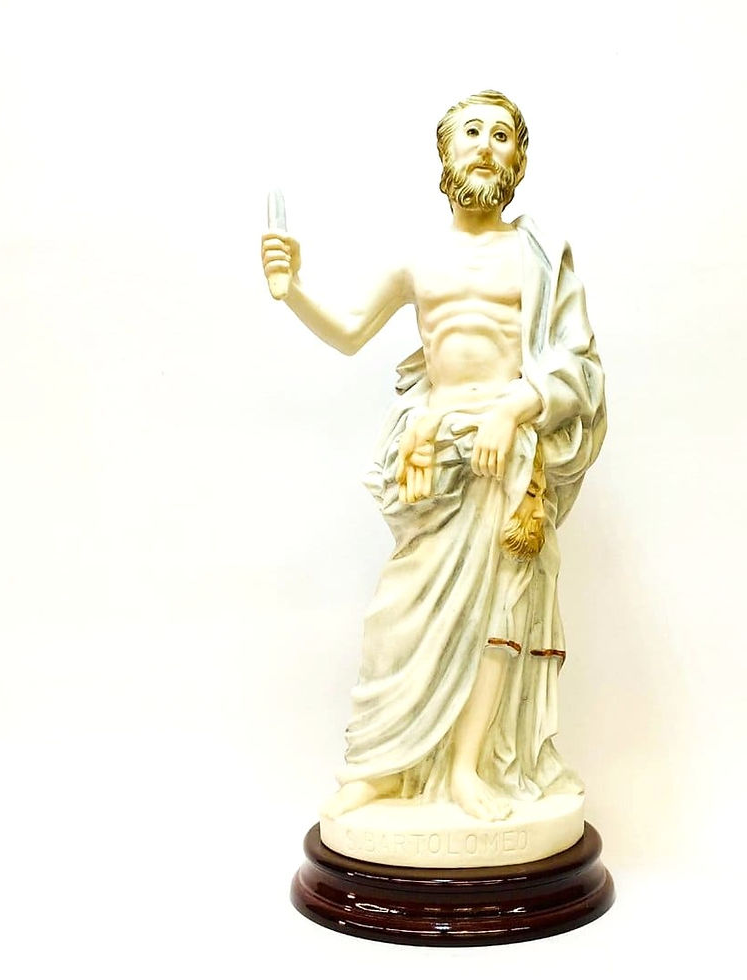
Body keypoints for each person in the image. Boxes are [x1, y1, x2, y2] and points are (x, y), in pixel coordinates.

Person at [261, 91, 606, 822]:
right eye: (471, 132)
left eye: (503, 135)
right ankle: (379, 767)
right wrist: (293, 291)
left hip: (508, 455)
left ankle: (466, 769)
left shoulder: (540, 257)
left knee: (498, 616)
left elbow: (579, 367)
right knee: (401, 612)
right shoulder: (418, 258)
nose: (486, 144)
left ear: (519, 160)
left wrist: (514, 408)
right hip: (436, 453)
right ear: (445, 154)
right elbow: (350, 332)